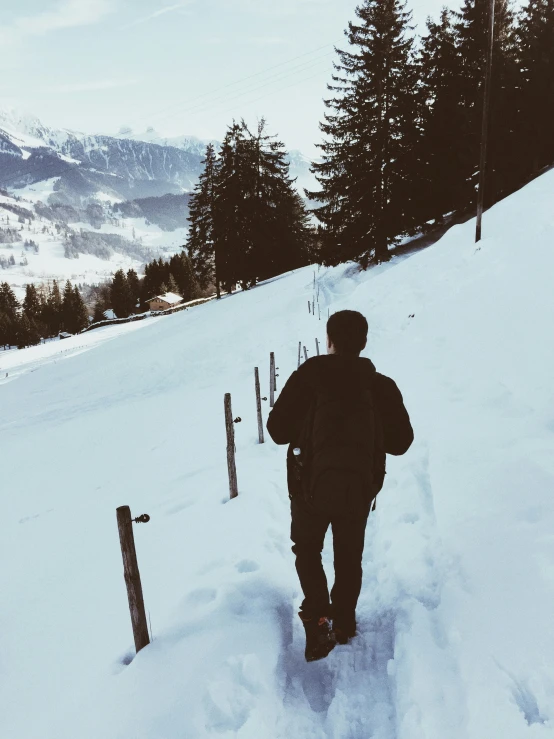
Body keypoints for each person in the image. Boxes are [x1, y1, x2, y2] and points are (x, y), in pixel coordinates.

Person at [267, 309, 413, 662]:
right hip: (358, 490)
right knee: (349, 557)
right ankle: (344, 622)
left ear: (329, 341)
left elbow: (276, 431)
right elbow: (401, 442)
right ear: (363, 343)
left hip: (308, 489)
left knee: (307, 549)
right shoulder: (379, 385)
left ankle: (320, 617)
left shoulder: (308, 378)